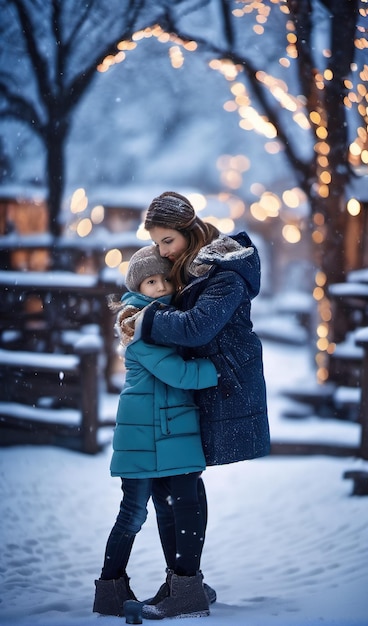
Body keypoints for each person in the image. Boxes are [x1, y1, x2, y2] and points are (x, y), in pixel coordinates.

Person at [139, 191, 271, 620]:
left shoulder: (224, 274)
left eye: (166, 241)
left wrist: (147, 322)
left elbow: (196, 328)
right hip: (195, 390)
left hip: (222, 389)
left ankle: (187, 585)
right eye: (157, 243)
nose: (161, 252)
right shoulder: (192, 272)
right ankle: (182, 580)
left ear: (190, 231)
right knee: (171, 484)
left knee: (181, 484)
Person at [93, 244, 218, 619]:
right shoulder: (141, 324)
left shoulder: (166, 318)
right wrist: (218, 370)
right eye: (151, 281)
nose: (161, 286)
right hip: (143, 436)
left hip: (163, 431)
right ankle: (110, 587)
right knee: (134, 513)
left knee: (169, 509)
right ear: (137, 287)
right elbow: (177, 373)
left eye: (165, 278)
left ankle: (180, 583)